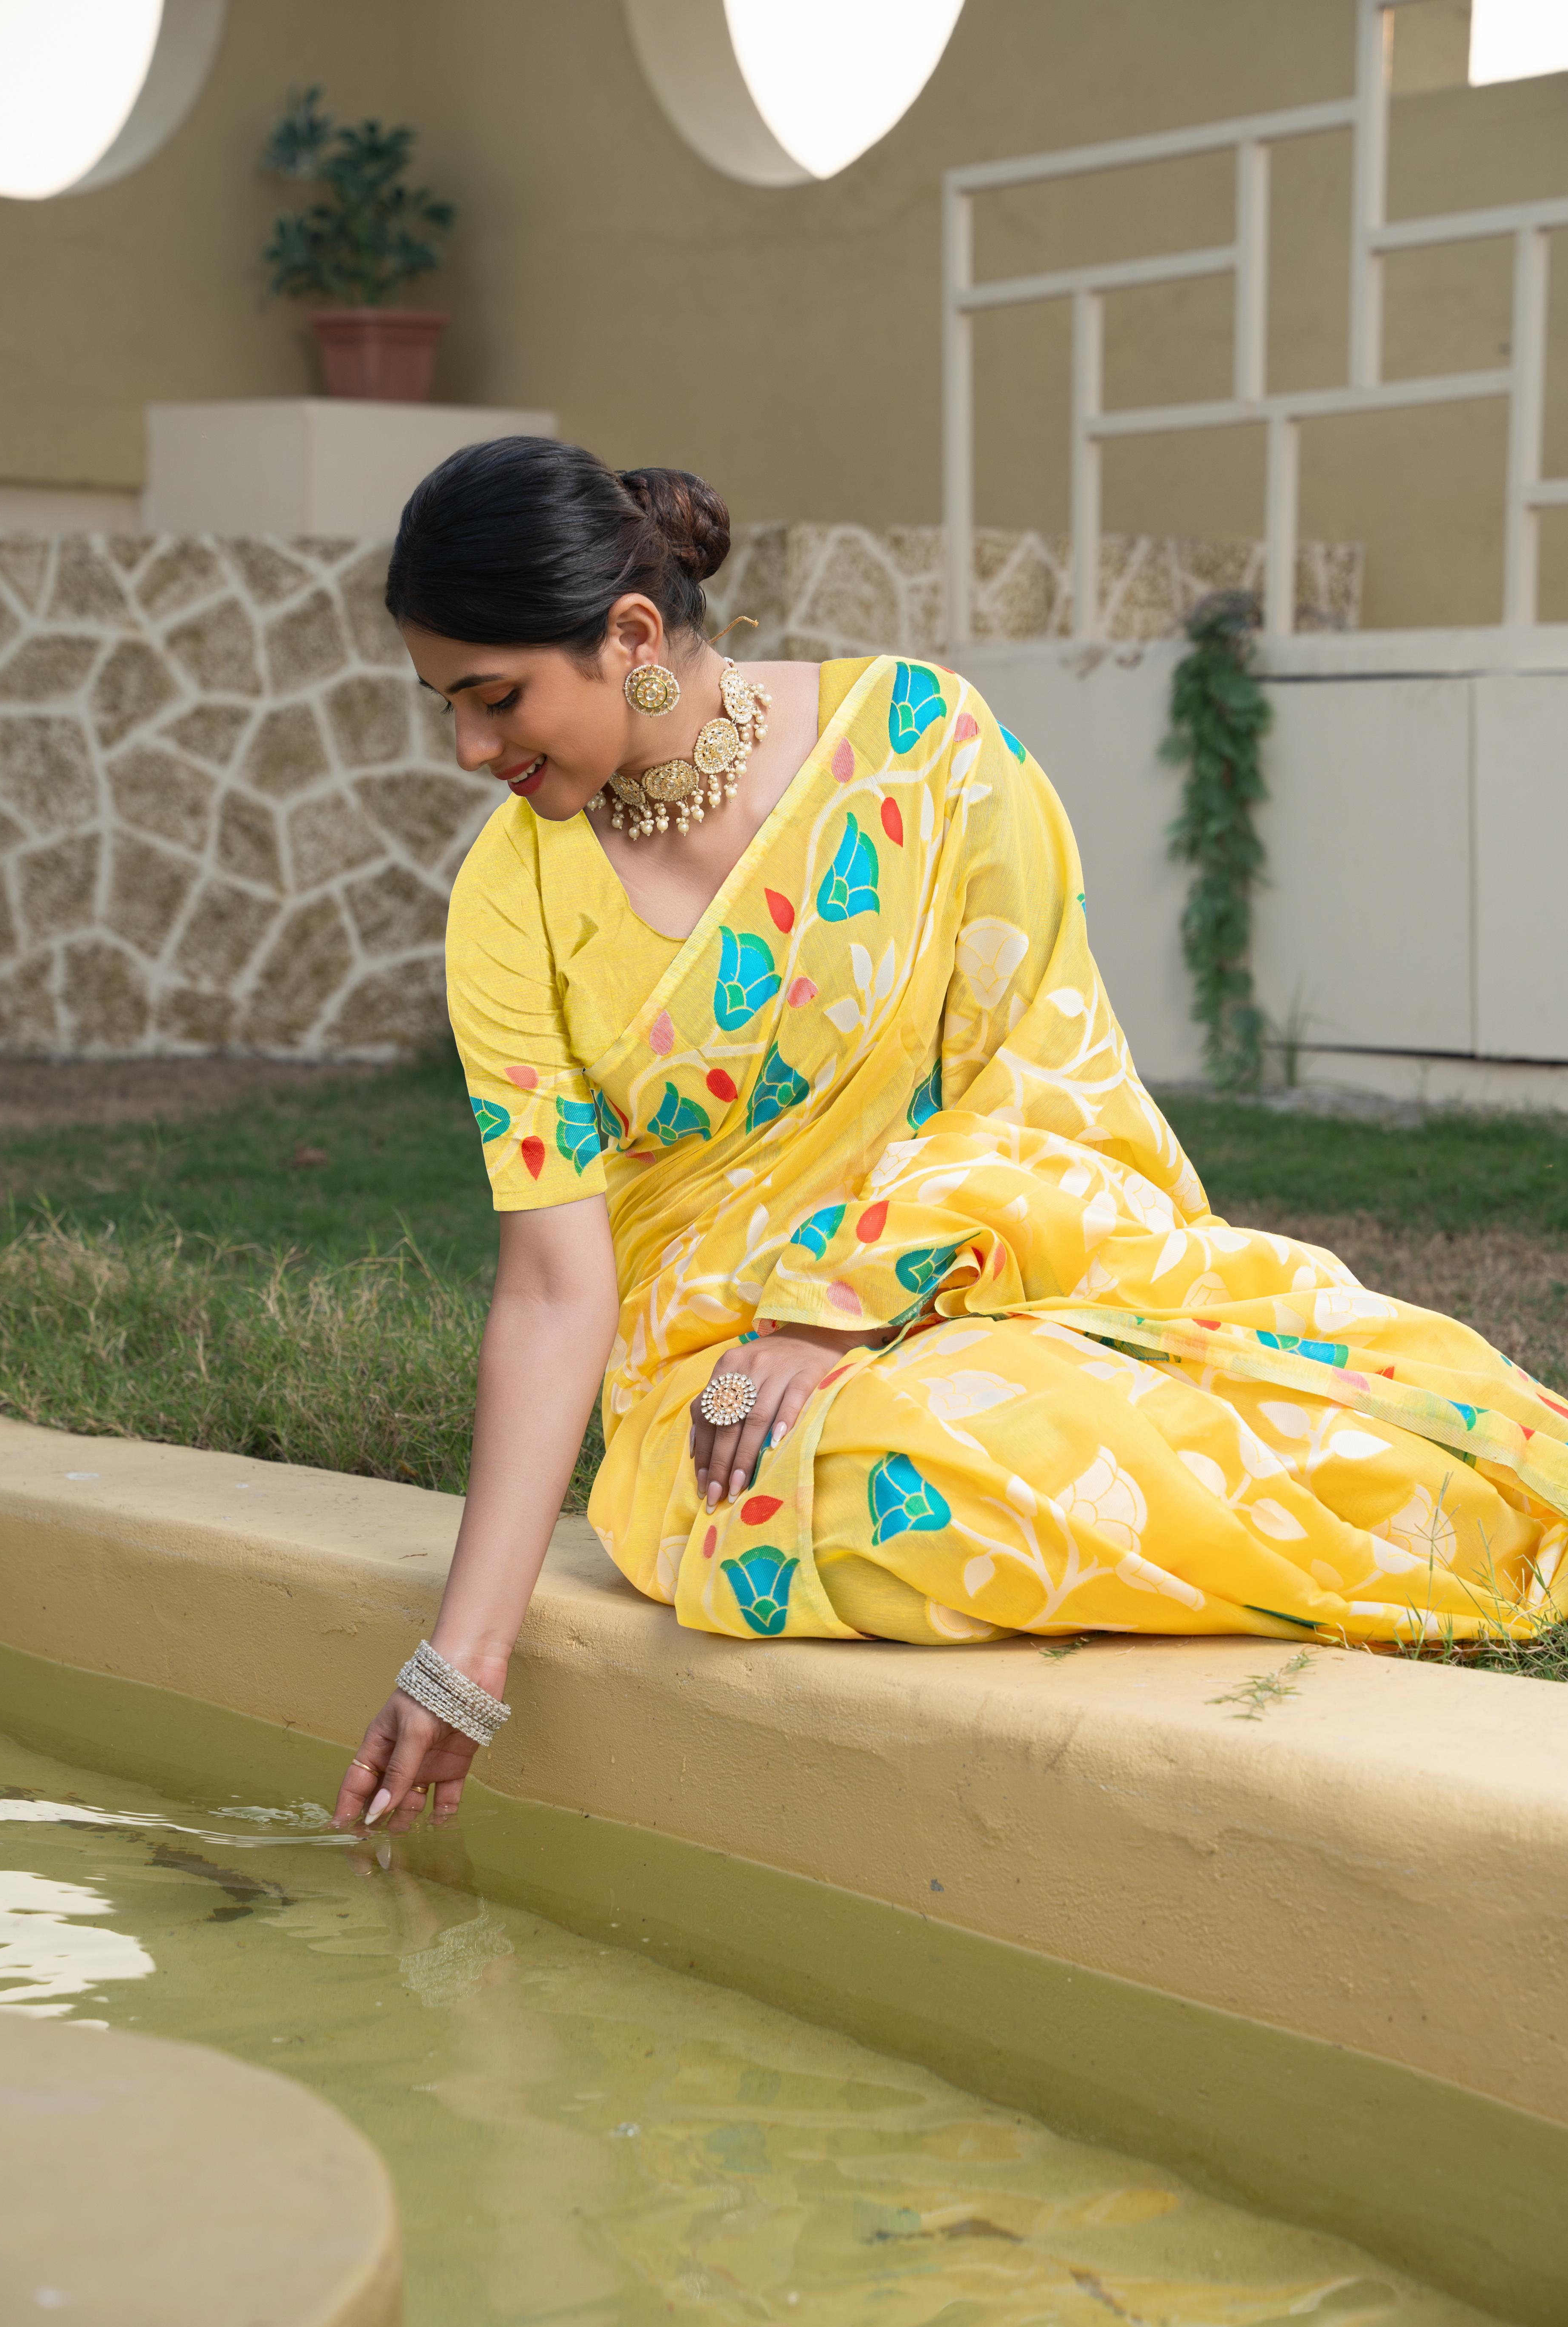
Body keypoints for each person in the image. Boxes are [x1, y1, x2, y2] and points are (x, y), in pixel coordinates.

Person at [335, 435, 1568, 1832]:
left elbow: (1047, 1080)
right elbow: (557, 1287)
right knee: (915, 1475)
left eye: (497, 699)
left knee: (1273, 1410)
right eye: (447, 705)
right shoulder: (509, 899)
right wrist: (466, 1659)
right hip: (720, 1381)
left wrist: (840, 1300)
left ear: (629, 636)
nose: (470, 750)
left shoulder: (924, 749)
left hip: (976, 1269)